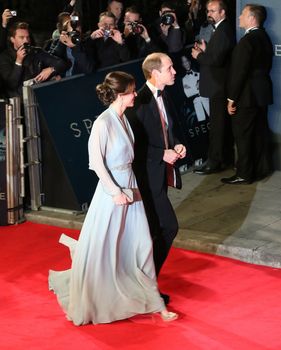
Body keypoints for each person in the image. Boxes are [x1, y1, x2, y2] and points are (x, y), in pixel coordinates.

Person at [49, 71, 178, 325]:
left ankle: (155, 302)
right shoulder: (103, 123)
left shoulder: (123, 119)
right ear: (120, 94)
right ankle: (101, 296)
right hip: (113, 193)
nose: (135, 95)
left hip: (132, 187)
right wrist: (115, 192)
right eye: (131, 91)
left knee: (141, 245)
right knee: (106, 248)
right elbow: (96, 163)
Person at [127, 53, 186, 297]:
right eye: (170, 68)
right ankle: (146, 283)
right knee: (167, 227)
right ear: (155, 73)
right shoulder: (138, 102)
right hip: (146, 178)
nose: (174, 72)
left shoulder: (165, 96)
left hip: (160, 176)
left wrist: (178, 144)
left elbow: (168, 130)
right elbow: (131, 145)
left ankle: (145, 283)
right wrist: (161, 154)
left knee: (154, 231)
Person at [221, 4, 273, 185]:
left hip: (247, 96)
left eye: (242, 14)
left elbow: (239, 73)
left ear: (252, 18)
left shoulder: (247, 41)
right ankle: (260, 169)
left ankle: (244, 173)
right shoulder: (264, 37)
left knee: (243, 135)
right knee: (258, 133)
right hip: (261, 94)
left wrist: (231, 99)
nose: (239, 17)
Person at [191, 0, 235, 174]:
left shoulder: (223, 30)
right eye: (208, 10)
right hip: (217, 85)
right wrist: (207, 50)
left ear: (222, 12)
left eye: (213, 11)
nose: (209, 14)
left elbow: (217, 61)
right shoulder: (220, 29)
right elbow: (217, 55)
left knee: (217, 127)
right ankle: (220, 160)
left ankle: (214, 162)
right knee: (218, 125)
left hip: (218, 86)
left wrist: (199, 55)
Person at [0, 22, 69, 98]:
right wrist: (18, 62)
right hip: (19, 103)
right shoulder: (4, 57)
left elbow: (62, 63)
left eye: (27, 37)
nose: (26, 40)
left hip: (39, 98)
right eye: (21, 37)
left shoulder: (36, 52)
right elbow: (11, 85)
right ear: (12, 39)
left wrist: (51, 69)